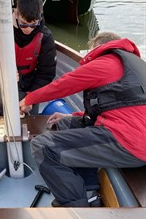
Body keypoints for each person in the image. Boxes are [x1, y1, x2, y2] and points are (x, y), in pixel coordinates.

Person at [19, 32, 146, 207]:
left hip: (130, 142)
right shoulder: (132, 64)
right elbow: (117, 106)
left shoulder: (107, 62)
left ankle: (75, 205)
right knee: (63, 123)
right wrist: (73, 116)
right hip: (133, 134)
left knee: (43, 147)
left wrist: (28, 99)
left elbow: (64, 84)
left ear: (99, 47)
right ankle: (90, 187)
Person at [0, 0, 56, 116]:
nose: (28, 29)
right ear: (16, 13)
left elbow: (46, 73)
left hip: (31, 83)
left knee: (31, 115)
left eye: (33, 24)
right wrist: (3, 76)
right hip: (4, 82)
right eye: (23, 23)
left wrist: (31, 97)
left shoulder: (45, 37)